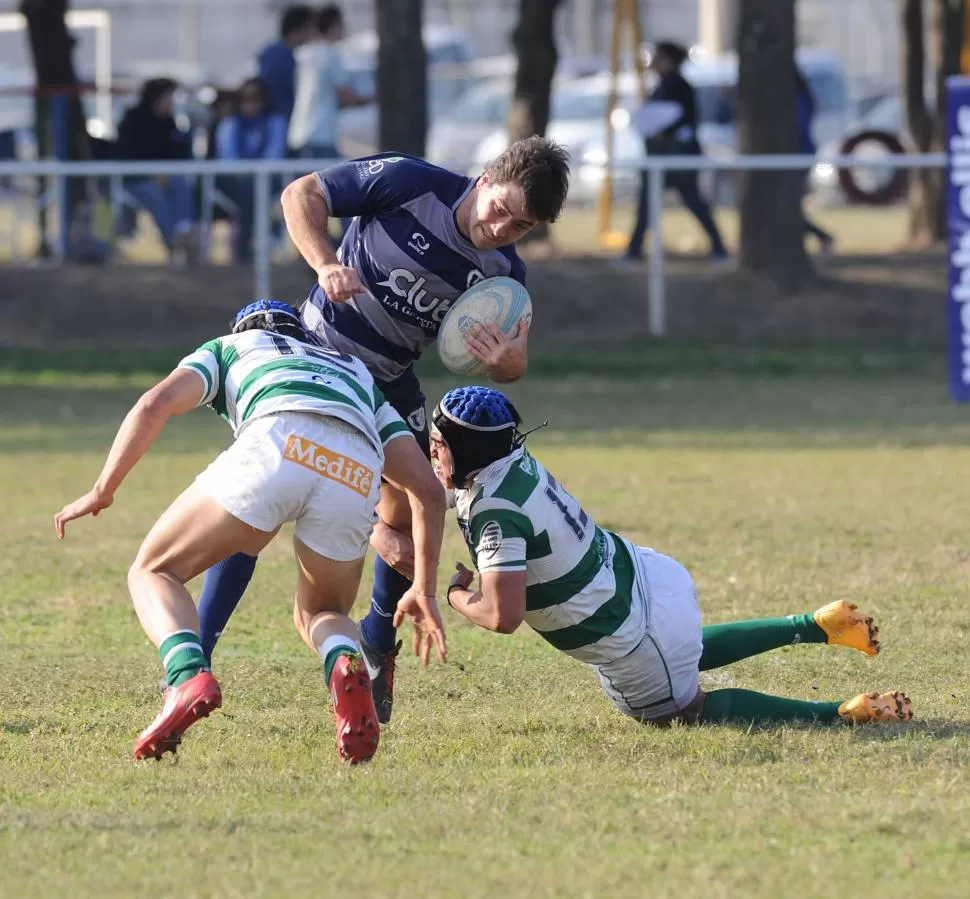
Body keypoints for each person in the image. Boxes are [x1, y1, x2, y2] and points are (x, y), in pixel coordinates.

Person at [195, 137, 572, 726]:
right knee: (253, 513)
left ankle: (376, 645)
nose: (502, 228)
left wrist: (506, 360)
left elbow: (516, 364)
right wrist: (326, 263)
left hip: (388, 386)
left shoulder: (504, 278)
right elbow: (302, 194)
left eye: (521, 225)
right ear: (485, 178)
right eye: (501, 208)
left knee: (410, 512)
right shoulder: (408, 182)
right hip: (314, 358)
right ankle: (197, 661)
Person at [53, 301, 447, 764]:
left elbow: (153, 403)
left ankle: (186, 676)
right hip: (354, 465)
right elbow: (427, 490)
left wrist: (103, 489)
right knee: (322, 612)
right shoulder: (353, 371)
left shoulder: (231, 346)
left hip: (276, 441)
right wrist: (424, 587)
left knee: (153, 570)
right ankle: (344, 660)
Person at [420, 385, 913, 728]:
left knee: (680, 712)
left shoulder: (495, 510)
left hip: (624, 629)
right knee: (683, 652)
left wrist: (456, 594)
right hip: (647, 575)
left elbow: (503, 617)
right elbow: (439, 491)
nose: (431, 451)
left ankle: (842, 714)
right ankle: (817, 623)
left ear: (465, 453)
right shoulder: (511, 460)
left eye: (439, 445)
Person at [625, 41, 728, 263]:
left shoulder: (679, 87)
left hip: (677, 157)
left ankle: (719, 248)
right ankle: (633, 250)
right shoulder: (663, 86)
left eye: (659, 59)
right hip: (663, 157)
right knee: (650, 203)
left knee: (691, 202)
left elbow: (675, 120)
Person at [115, 77, 197, 264]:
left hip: (166, 179)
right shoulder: (133, 120)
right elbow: (125, 157)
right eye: (170, 97)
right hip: (135, 181)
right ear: (157, 98)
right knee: (155, 195)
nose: (173, 102)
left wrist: (186, 132)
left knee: (180, 184)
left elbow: (179, 156)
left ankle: (185, 230)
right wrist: (150, 174)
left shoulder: (170, 123)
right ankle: (174, 242)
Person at [215, 77, 288, 263]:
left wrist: (254, 172)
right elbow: (228, 161)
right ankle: (255, 243)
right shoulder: (230, 124)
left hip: (268, 180)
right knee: (248, 190)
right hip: (236, 182)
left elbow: (274, 157)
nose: (250, 104)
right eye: (245, 98)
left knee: (252, 189)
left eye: (255, 98)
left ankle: (244, 246)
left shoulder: (275, 122)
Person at [289, 4, 372, 161]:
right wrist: (374, 98)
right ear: (334, 26)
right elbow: (347, 97)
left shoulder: (303, 53)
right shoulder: (331, 54)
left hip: (298, 133)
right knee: (322, 184)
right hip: (321, 135)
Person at [795, 66, 835, 257]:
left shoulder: (798, 98)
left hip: (799, 154)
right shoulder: (802, 96)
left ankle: (823, 237)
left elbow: (799, 128)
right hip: (802, 153)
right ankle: (822, 237)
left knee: (787, 204)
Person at [256, 4, 316, 128]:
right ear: (296, 29)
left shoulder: (269, 51)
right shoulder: (287, 56)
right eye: (310, 28)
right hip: (283, 120)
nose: (313, 34)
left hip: (269, 120)